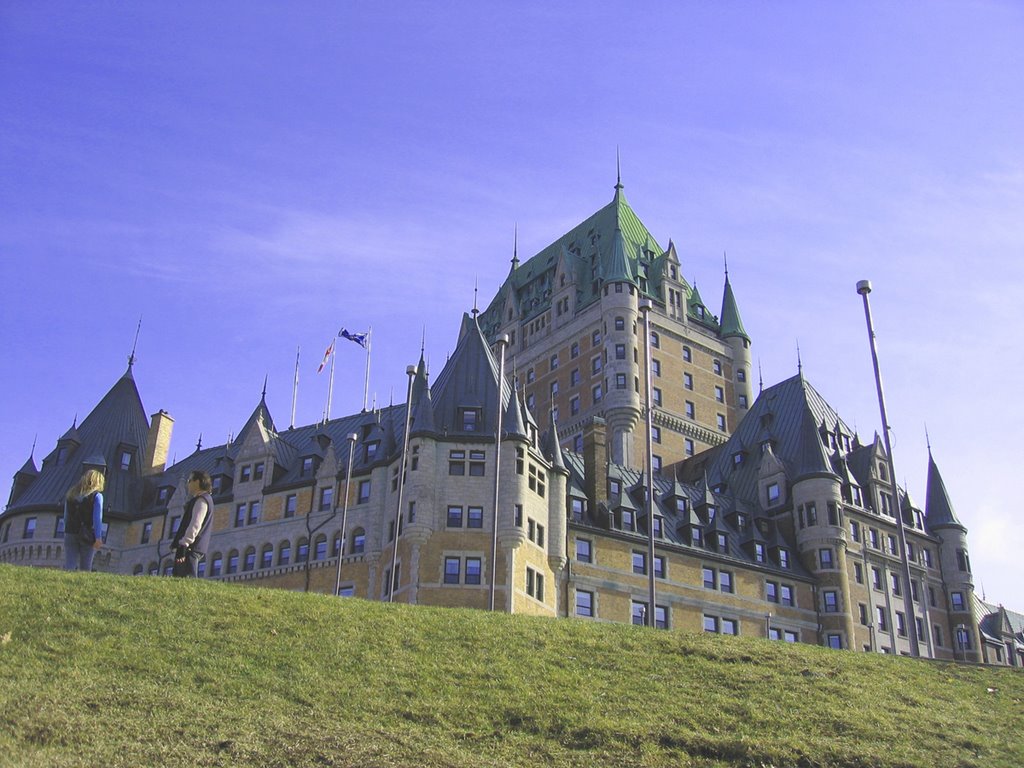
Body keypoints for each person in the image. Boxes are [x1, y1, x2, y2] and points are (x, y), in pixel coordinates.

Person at [171, 470, 214, 577]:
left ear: (198, 482)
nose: (188, 484)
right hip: (191, 547)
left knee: (186, 577)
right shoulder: (201, 499)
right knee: (179, 577)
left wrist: (184, 544)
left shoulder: (202, 500)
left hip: (191, 548)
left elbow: (195, 524)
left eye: (190, 480)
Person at [64, 468, 105, 571]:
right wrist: (98, 537)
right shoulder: (97, 496)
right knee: (85, 567)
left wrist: (67, 529)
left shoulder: (71, 494)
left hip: (70, 532)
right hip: (87, 533)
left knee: (70, 564)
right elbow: (97, 518)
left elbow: (66, 516)